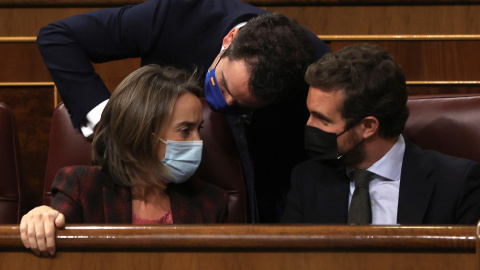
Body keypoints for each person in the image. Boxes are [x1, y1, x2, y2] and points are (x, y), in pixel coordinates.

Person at [36, 0, 331, 223]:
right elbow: (58, 37)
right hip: (147, 179)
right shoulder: (177, 14)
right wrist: (113, 124)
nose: (223, 104)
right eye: (224, 84)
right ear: (229, 42)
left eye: (242, 102)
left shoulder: (313, 63)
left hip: (258, 195)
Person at [20, 65, 229, 257]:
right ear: (143, 133)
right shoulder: (81, 187)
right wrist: (41, 218)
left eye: (198, 129)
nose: (198, 142)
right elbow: (53, 238)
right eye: (185, 130)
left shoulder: (211, 202)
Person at [281, 43, 480, 225]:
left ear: (368, 126)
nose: (309, 126)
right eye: (310, 114)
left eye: (323, 119)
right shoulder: (308, 180)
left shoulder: (457, 185)